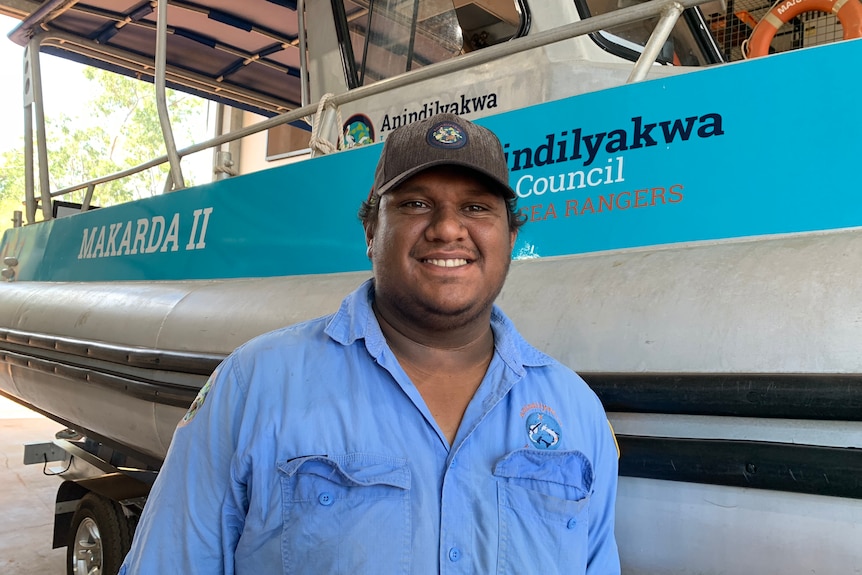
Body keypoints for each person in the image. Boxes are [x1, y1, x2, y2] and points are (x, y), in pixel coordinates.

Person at [120, 113, 620, 574]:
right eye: (416, 204)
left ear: (510, 237)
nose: (448, 228)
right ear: (370, 231)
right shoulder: (256, 384)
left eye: (475, 207)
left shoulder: (577, 412)